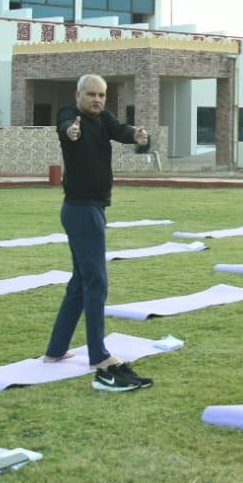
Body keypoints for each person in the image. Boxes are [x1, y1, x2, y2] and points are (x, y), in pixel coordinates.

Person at [42, 74, 153, 392]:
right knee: (96, 281)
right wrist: (71, 131)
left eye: (102, 95)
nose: (97, 100)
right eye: (91, 94)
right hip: (81, 210)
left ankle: (56, 350)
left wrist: (136, 134)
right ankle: (98, 356)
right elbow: (66, 127)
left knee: (80, 283)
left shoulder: (103, 119)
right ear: (78, 94)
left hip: (89, 210)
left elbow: (121, 131)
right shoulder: (69, 114)